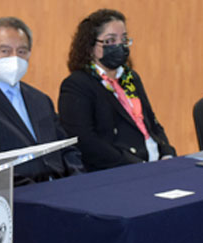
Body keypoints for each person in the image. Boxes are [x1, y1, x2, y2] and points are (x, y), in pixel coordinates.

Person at [0, 16, 83, 186]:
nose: (14, 58)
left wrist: (79, 183)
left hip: (60, 191)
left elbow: (66, 148)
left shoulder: (40, 99)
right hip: (16, 198)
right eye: (4, 51)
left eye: (21, 51)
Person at [58, 9, 175, 171]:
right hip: (119, 170)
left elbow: (152, 122)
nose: (119, 46)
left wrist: (167, 152)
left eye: (124, 39)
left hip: (155, 164)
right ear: (91, 47)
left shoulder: (130, 78)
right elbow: (85, 141)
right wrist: (135, 166)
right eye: (110, 40)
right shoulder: (77, 84)